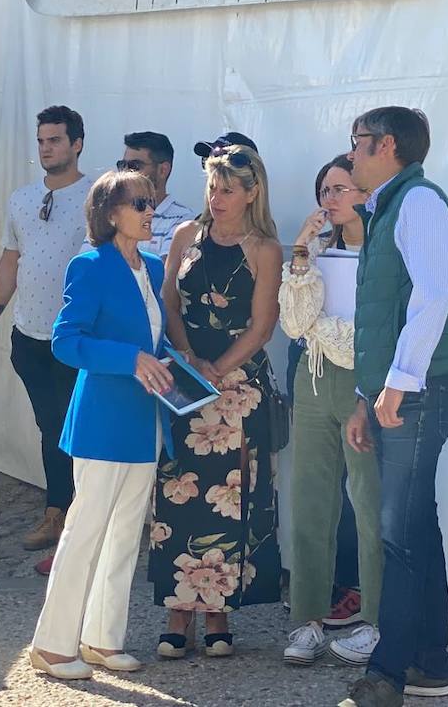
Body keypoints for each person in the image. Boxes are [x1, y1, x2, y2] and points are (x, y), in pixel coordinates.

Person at [337, 107, 448, 707]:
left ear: (386, 145)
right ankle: (429, 662)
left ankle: (387, 673)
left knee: (399, 532)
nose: (352, 155)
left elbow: (432, 296)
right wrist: (369, 396)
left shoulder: (418, 202)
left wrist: (399, 383)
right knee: (414, 525)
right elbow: (387, 312)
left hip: (423, 387)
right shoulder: (390, 203)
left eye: (358, 144)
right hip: (400, 387)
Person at [29, 171, 175, 680]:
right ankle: (51, 645)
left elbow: (155, 341)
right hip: (102, 419)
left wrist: (175, 368)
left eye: (152, 201)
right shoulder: (88, 265)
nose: (150, 210)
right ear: (111, 213)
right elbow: (65, 341)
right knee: (84, 532)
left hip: (145, 419)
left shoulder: (153, 267)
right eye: (140, 202)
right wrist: (129, 357)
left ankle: (101, 639)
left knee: (124, 537)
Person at [150, 142, 283, 659]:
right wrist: (187, 359)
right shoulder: (186, 235)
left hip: (237, 384)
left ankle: (219, 611)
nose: (217, 196)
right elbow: (168, 300)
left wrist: (219, 369)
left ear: (252, 193)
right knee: (178, 490)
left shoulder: (264, 247)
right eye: (212, 186)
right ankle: (177, 611)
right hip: (186, 377)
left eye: (228, 189)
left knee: (227, 498)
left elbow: (263, 323)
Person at [0, 105, 91, 560]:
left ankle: (84, 516)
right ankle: (57, 510)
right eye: (41, 141)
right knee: (50, 424)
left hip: (76, 336)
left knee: (77, 426)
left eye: (55, 140)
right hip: (29, 335)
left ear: (77, 143)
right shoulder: (21, 199)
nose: (46, 148)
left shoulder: (97, 195)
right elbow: (10, 261)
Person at [279, 154, 383, 668]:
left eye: (342, 188)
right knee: (311, 500)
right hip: (313, 379)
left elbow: (371, 333)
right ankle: (308, 619)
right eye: (325, 190)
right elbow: (295, 324)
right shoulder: (315, 251)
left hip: (367, 386)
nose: (331, 199)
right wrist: (301, 247)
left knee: (370, 505)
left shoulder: (388, 251)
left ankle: (378, 623)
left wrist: (322, 328)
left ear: (366, 192)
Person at [116, 132, 196, 258]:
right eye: (122, 165)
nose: (126, 173)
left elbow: (162, 273)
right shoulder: (111, 212)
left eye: (134, 166)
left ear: (163, 170)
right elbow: (88, 264)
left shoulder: (183, 220)